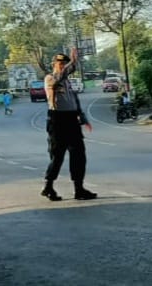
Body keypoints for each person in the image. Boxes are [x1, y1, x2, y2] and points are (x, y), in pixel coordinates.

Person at [41, 48, 97, 201]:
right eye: (60, 64)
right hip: (57, 120)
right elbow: (60, 76)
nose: (63, 66)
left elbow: (74, 101)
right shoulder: (50, 79)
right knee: (57, 156)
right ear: (54, 64)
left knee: (79, 154)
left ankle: (79, 188)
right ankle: (48, 186)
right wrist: (72, 62)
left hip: (72, 120)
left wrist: (83, 118)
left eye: (65, 63)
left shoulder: (68, 83)